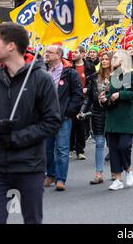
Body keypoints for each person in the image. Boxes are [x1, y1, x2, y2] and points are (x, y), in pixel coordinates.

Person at [0, 22, 62, 224]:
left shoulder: (41, 79)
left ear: (11, 45)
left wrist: (17, 138)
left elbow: (52, 121)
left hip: (29, 165)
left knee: (32, 220)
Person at [100, 50, 133, 191]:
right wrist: (104, 99)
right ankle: (117, 179)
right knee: (113, 150)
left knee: (124, 146)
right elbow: (108, 96)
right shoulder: (111, 76)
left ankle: (128, 170)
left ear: (123, 59)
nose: (112, 60)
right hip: (112, 118)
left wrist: (120, 94)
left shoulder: (131, 75)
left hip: (126, 118)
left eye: (115, 57)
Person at [44, 45, 83, 191]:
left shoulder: (69, 73)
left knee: (61, 148)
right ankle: (51, 174)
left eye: (49, 52)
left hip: (63, 117)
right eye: (46, 52)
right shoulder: (42, 71)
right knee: (47, 148)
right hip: (46, 118)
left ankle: (61, 179)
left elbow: (77, 95)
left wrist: (67, 112)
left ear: (59, 55)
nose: (46, 54)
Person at [78, 51, 111, 185]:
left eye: (106, 59)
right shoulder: (93, 77)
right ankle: (98, 173)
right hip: (97, 113)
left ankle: (116, 172)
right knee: (99, 143)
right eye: (102, 59)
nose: (103, 61)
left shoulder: (117, 78)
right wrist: (82, 111)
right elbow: (88, 99)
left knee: (113, 144)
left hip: (112, 113)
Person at [70, 46, 95, 160]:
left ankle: (80, 150)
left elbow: (93, 80)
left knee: (81, 124)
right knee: (71, 123)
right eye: (73, 52)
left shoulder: (90, 66)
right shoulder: (69, 66)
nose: (73, 54)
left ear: (83, 53)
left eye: (76, 52)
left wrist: (87, 89)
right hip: (71, 98)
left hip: (84, 99)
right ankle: (70, 148)